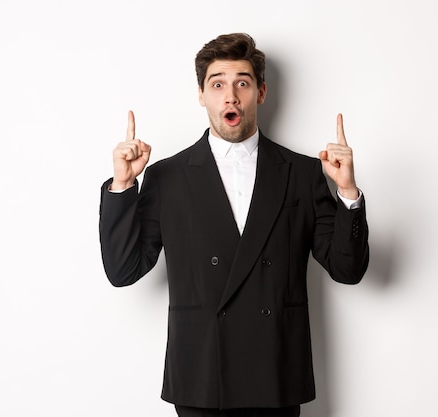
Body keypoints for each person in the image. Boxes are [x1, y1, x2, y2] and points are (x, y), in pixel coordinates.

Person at [99, 33, 369, 417]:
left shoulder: (303, 172)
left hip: (275, 374)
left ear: (260, 92)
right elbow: (122, 270)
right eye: (218, 84)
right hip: (203, 378)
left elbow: (347, 269)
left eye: (242, 82)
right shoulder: (167, 176)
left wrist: (347, 194)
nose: (230, 95)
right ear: (201, 94)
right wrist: (123, 185)